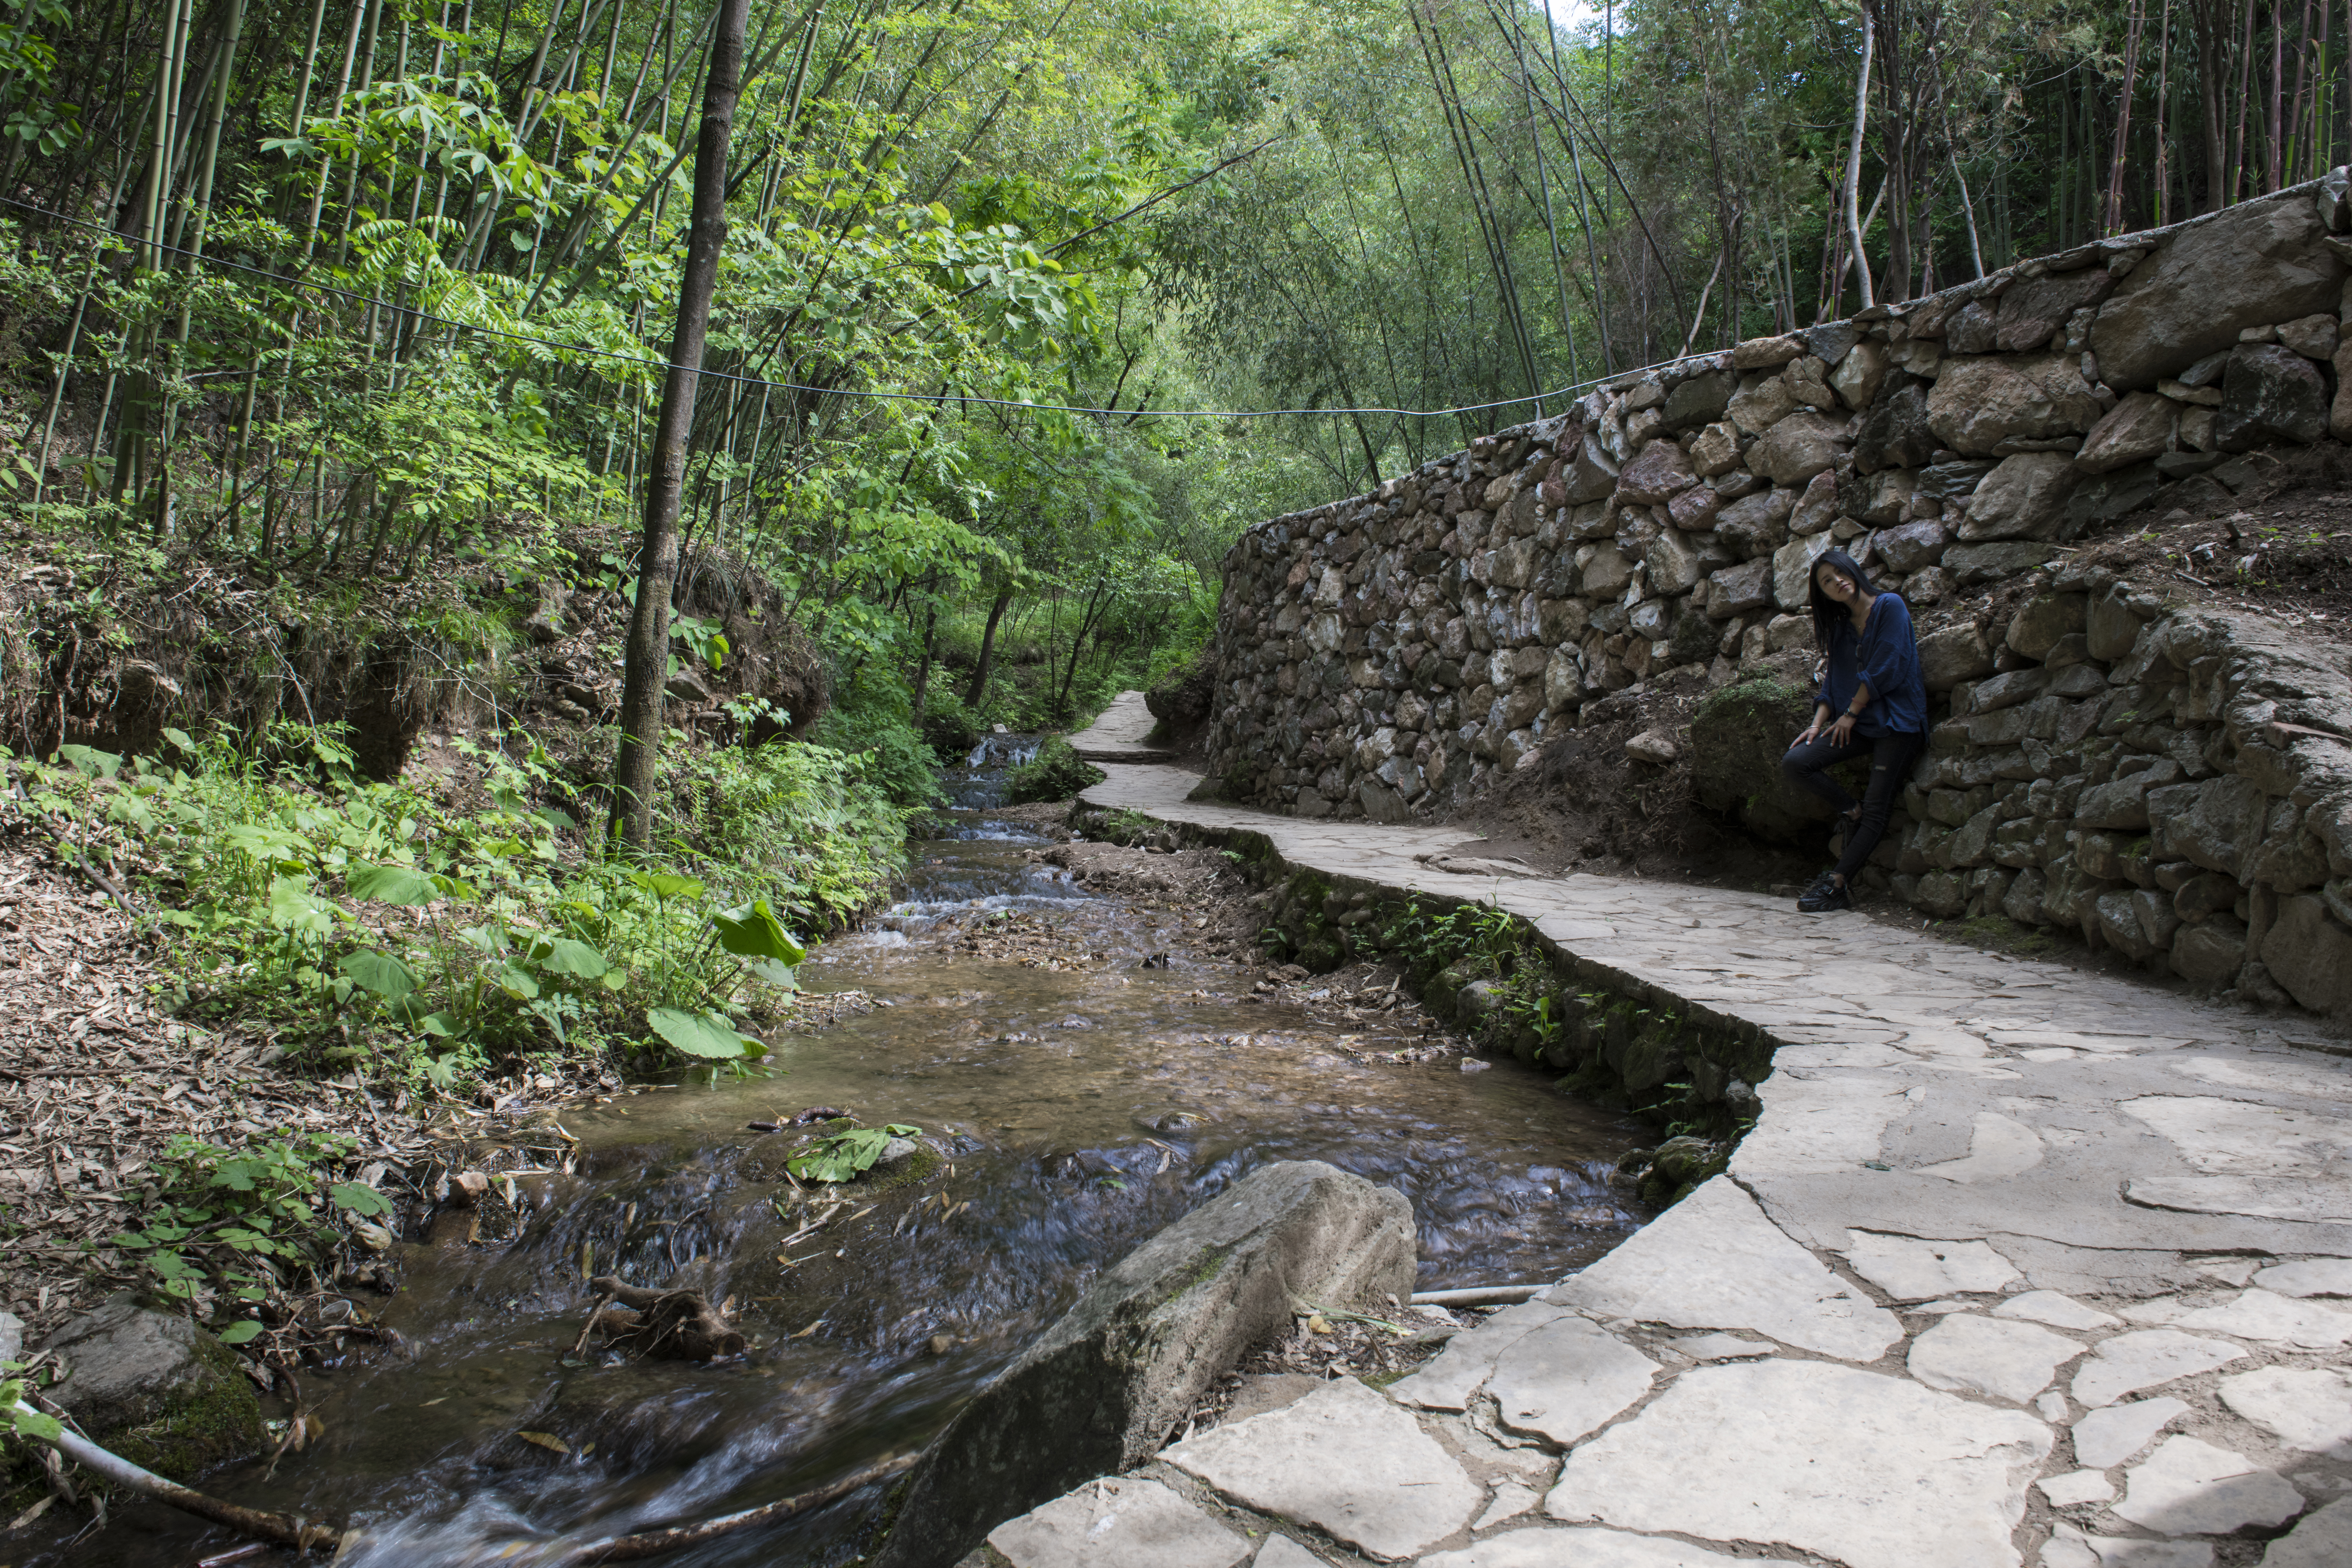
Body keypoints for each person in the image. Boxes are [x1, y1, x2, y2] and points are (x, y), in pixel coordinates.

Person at [1780, 548, 1928, 913]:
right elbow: (1833, 683)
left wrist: (1850, 713)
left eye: (1839, 573)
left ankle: (1836, 884)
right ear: (1824, 594)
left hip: (1898, 722)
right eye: (1827, 581)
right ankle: (1851, 811)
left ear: (1853, 571)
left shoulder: (1890, 606)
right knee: (1796, 762)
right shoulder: (1841, 629)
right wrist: (1817, 724)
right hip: (1858, 723)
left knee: (1879, 806)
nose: (1837, 582)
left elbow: (1887, 666)